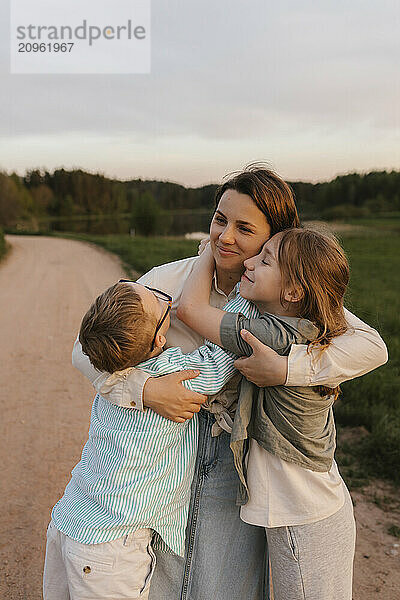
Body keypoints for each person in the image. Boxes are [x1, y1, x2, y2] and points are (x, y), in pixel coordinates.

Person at [72, 166, 388, 600]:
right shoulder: (170, 280)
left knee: (227, 583)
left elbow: (370, 345)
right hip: (168, 453)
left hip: (243, 456)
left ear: (275, 239)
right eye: (220, 219)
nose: (225, 237)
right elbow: (82, 350)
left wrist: (286, 368)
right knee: (166, 576)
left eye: (244, 228)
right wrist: (145, 390)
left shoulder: (282, 295)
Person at [178, 229, 359, 599]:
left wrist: (209, 254)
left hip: (303, 517)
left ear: (293, 292)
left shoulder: (270, 336)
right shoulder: (307, 329)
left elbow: (190, 310)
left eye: (264, 260)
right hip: (312, 510)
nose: (248, 262)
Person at [43, 281, 253, 600]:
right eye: (158, 301)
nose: (160, 294)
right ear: (159, 339)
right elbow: (220, 355)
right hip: (110, 548)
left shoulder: (110, 377)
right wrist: (244, 295)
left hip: (68, 522)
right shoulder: (172, 375)